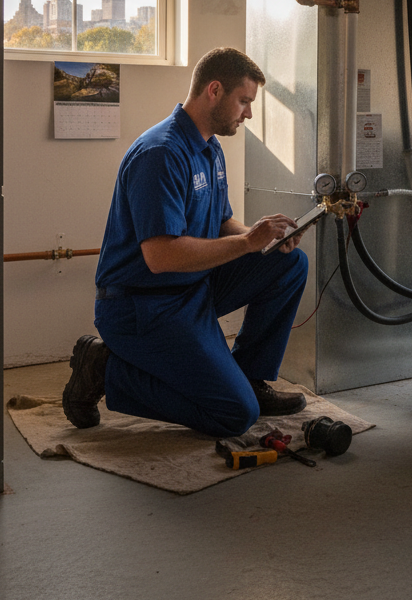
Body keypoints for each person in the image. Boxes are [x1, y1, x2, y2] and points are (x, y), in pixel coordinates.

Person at [61, 47, 309, 437]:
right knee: (234, 415)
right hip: (143, 306)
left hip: (193, 289)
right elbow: (161, 256)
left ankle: (250, 377)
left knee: (290, 263)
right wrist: (248, 244)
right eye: (243, 101)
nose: (248, 113)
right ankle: (105, 368)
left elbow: (222, 220)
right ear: (214, 90)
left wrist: (263, 237)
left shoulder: (209, 147)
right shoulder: (161, 153)